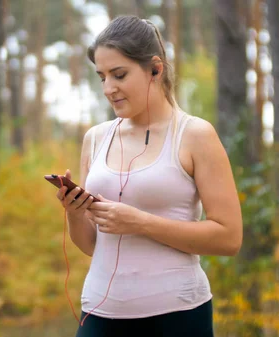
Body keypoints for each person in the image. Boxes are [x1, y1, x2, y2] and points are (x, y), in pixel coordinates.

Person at [54, 15, 243, 337]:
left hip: (178, 316)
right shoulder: (96, 138)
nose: (108, 89)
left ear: (155, 68)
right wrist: (75, 213)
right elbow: (90, 245)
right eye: (101, 77)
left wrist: (140, 222)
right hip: (100, 313)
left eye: (119, 75)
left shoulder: (194, 135)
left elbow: (229, 238)